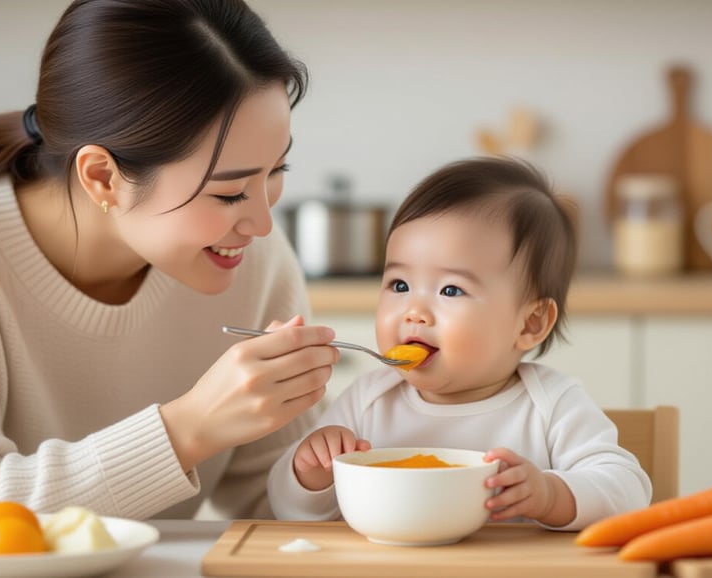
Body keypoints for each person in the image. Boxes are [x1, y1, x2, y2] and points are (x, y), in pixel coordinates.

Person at [0, 0, 340, 520]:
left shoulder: (251, 259)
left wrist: (324, 475)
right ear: (102, 176)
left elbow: (275, 511)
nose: (262, 224)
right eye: (229, 192)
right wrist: (188, 428)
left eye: (276, 171)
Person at [268, 157, 652, 530]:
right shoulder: (368, 401)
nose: (414, 311)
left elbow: (629, 491)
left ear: (531, 323)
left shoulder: (553, 405)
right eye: (399, 285)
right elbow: (288, 510)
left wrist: (552, 494)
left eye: (451, 290)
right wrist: (310, 475)